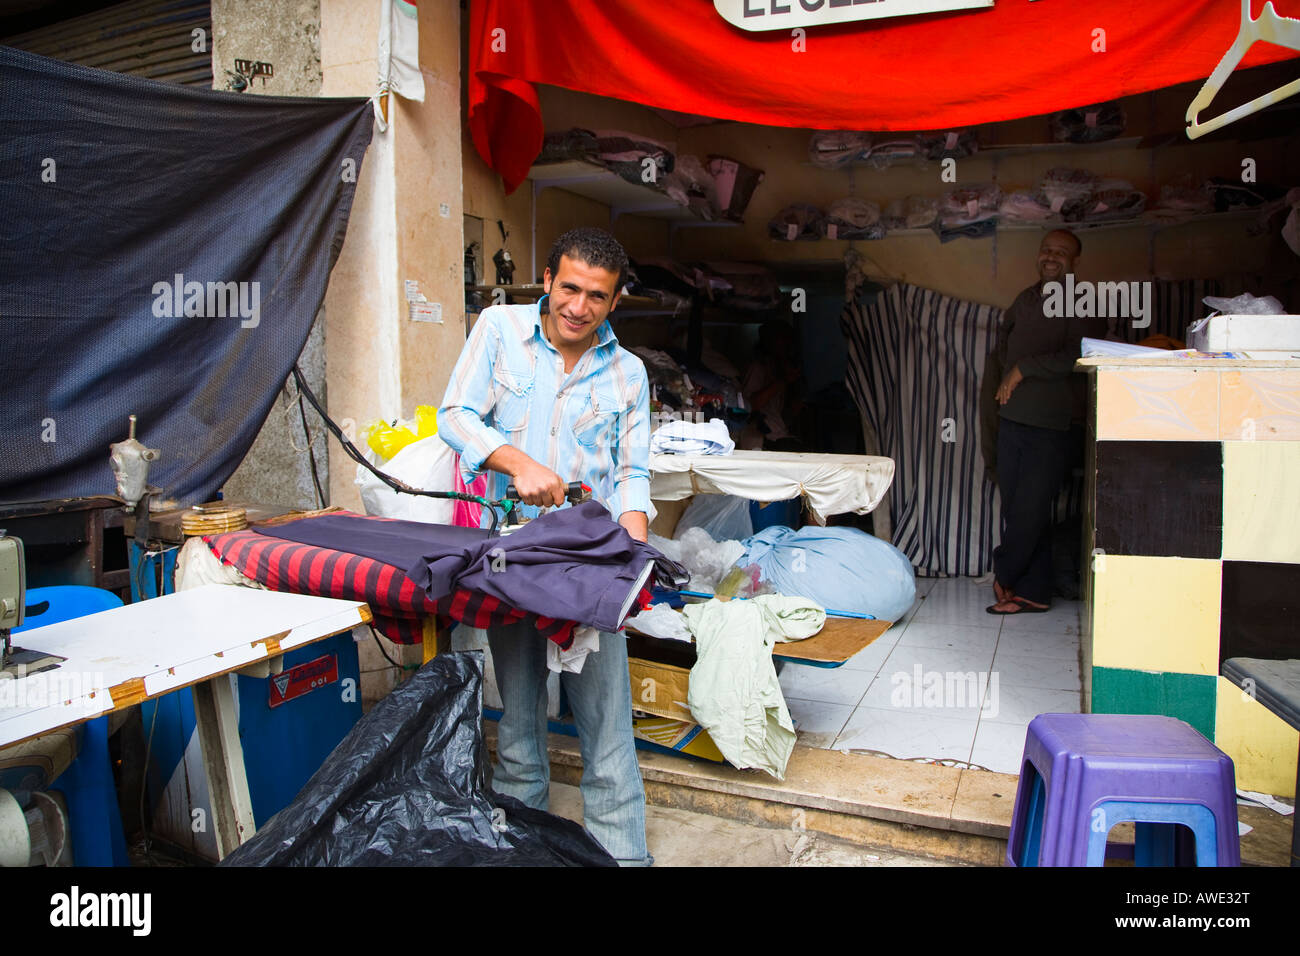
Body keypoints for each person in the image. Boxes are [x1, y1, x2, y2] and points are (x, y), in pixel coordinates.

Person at [438, 227, 653, 864]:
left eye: (596, 296)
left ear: (615, 302)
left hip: (591, 563)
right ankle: (524, 848)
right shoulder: (498, 331)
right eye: (569, 288)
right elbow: (456, 415)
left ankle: (623, 856)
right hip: (510, 555)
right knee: (520, 716)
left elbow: (634, 472)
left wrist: (634, 553)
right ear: (549, 280)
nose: (578, 306)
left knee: (606, 722)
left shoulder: (629, 373)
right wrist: (517, 463)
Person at [983, 229, 1103, 615]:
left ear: (1075, 262)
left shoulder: (1081, 300)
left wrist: (1023, 369)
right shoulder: (1026, 299)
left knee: (1030, 508)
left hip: (1052, 424)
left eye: (1062, 253)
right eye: (1047, 250)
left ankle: (1006, 573)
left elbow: (1078, 354)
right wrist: (1003, 386)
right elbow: (1002, 351)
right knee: (1015, 506)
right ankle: (1031, 591)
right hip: (1013, 418)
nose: (1052, 257)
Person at [739, 320, 805, 451]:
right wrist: (783, 381)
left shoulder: (779, 367)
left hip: (779, 434)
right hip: (760, 439)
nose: (786, 344)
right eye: (781, 339)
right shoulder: (758, 367)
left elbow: (789, 411)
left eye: (788, 340)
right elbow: (750, 405)